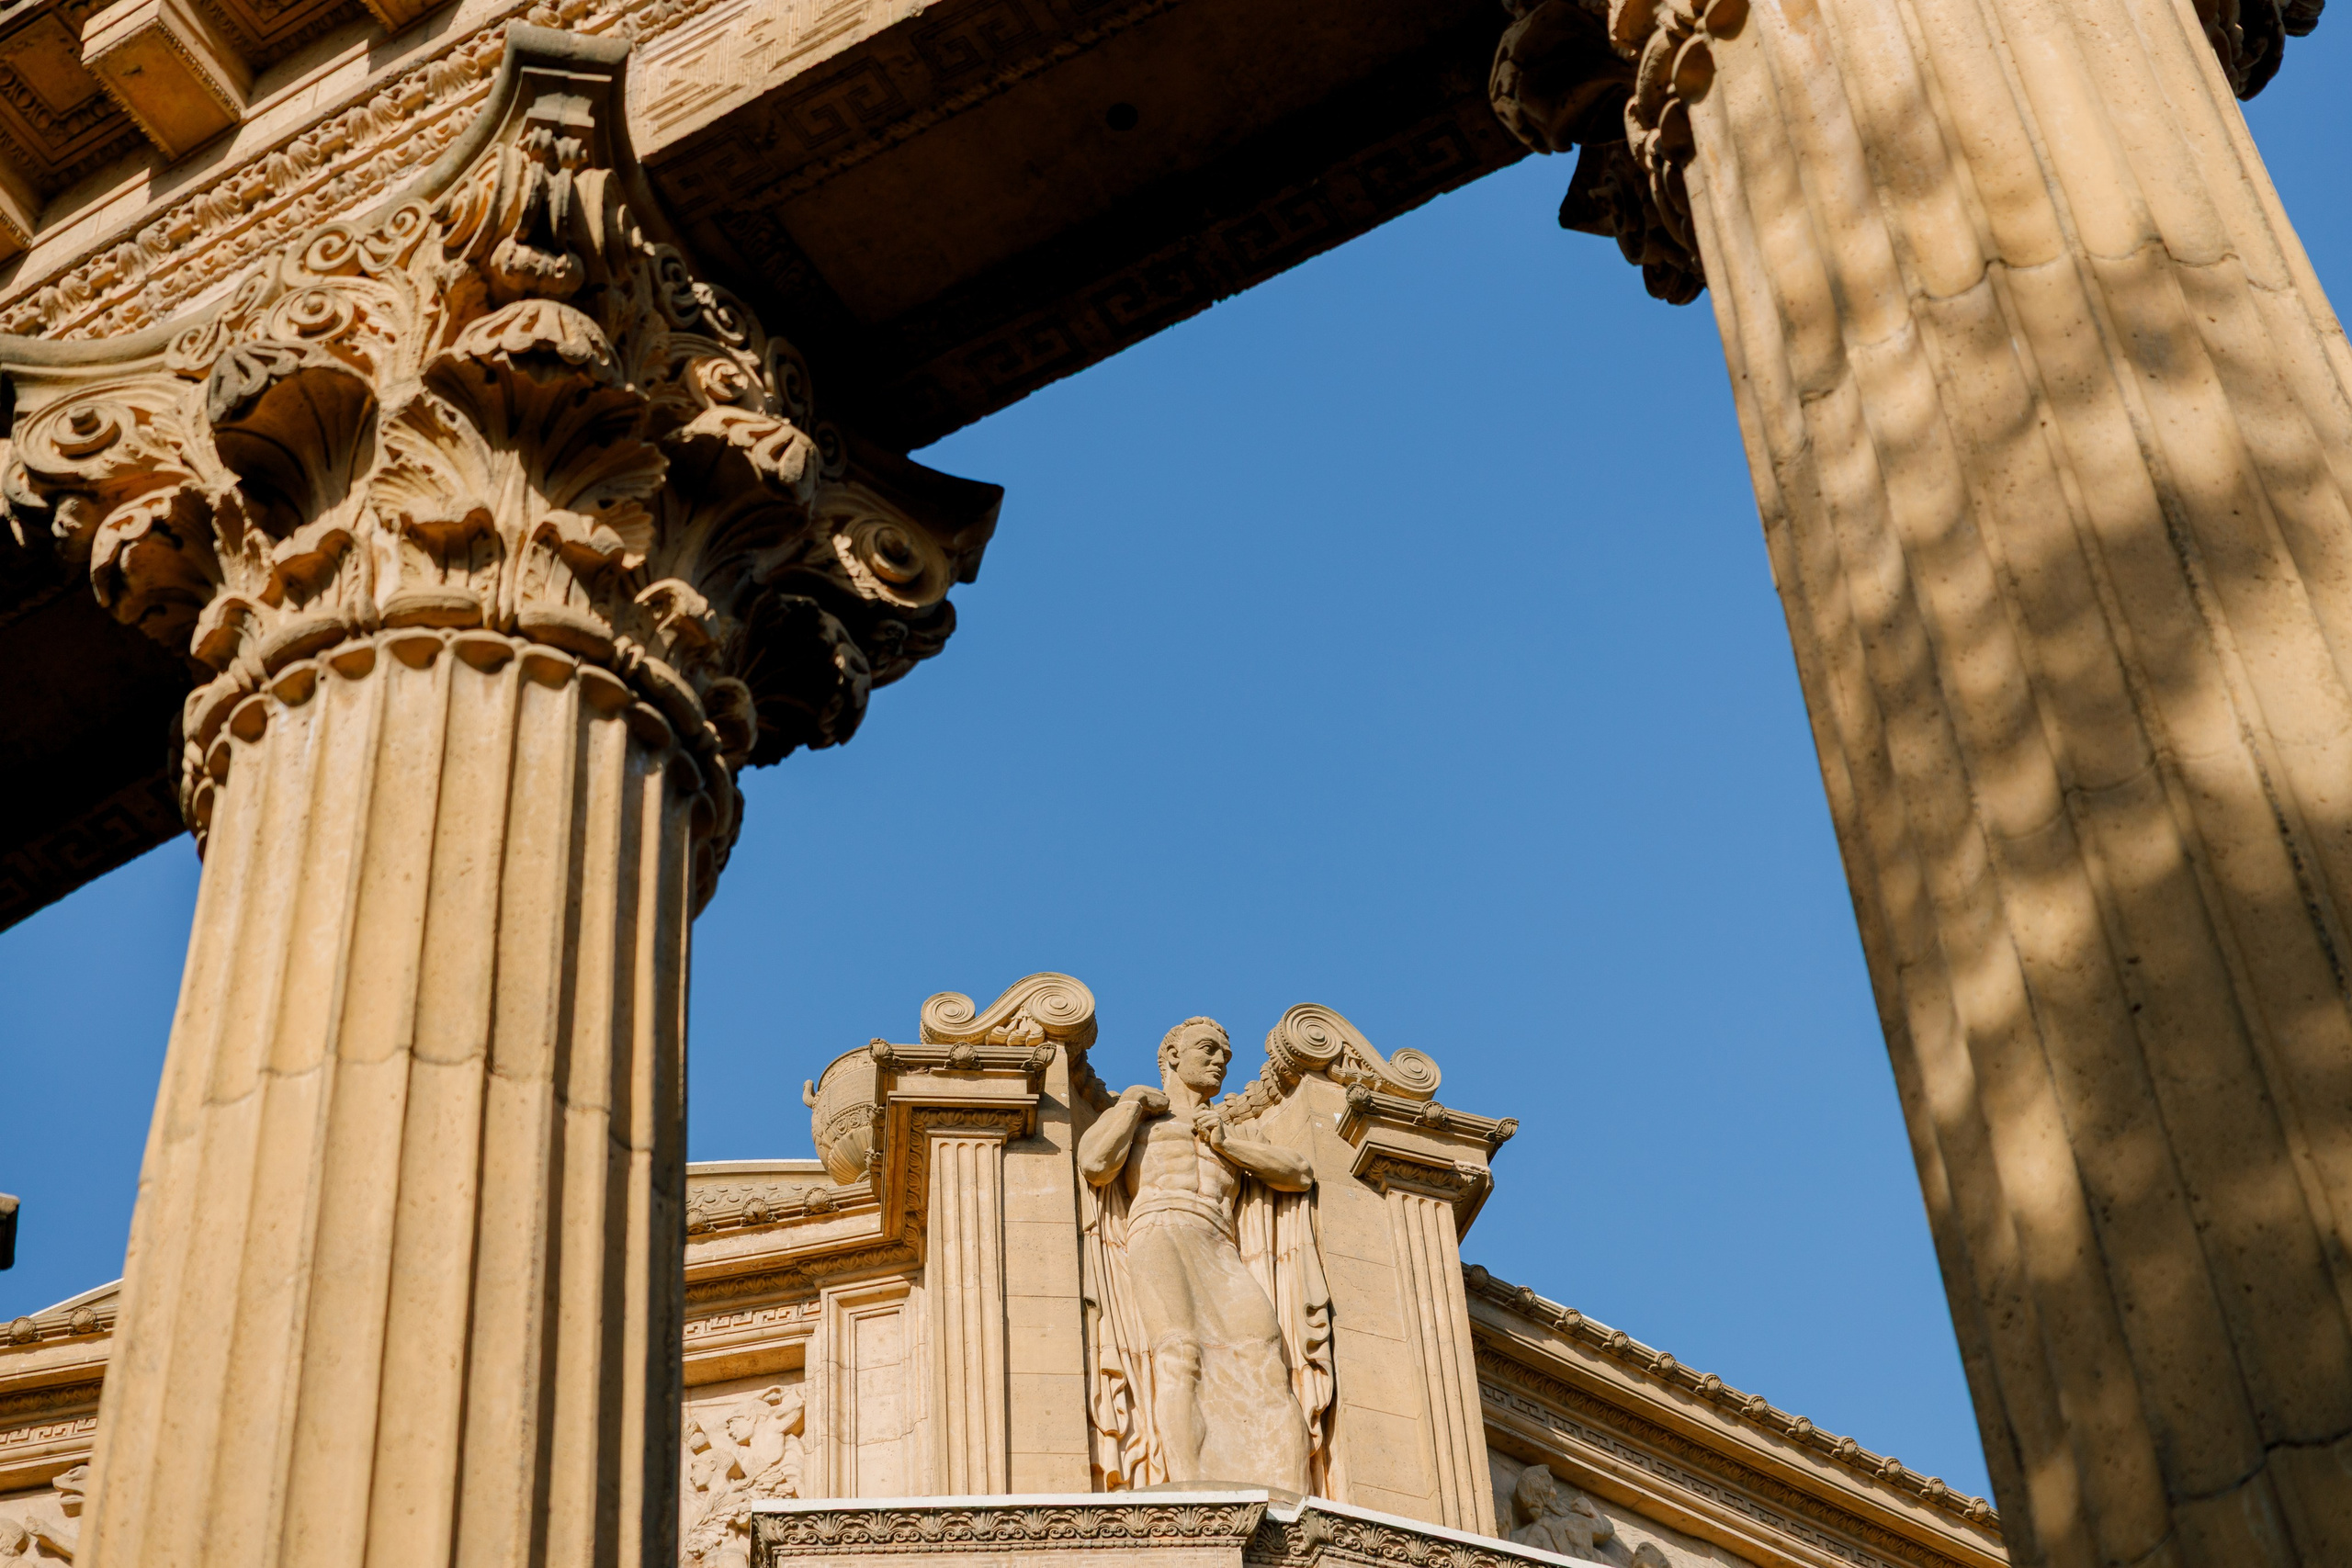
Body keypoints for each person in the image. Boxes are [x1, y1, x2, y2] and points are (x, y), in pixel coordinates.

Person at [1078, 1018, 1317, 1491]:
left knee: (1265, 1353)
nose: (1219, 1062)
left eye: (1225, 1056)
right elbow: (1095, 1163)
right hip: (1160, 1229)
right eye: (1208, 1049)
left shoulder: (1231, 1130)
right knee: (1179, 1353)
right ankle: (1189, 1486)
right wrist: (1132, 1105)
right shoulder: (1141, 1118)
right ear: (1172, 1055)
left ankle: (1287, 1490)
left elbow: (1300, 1174)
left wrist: (1228, 1145)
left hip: (1219, 1242)